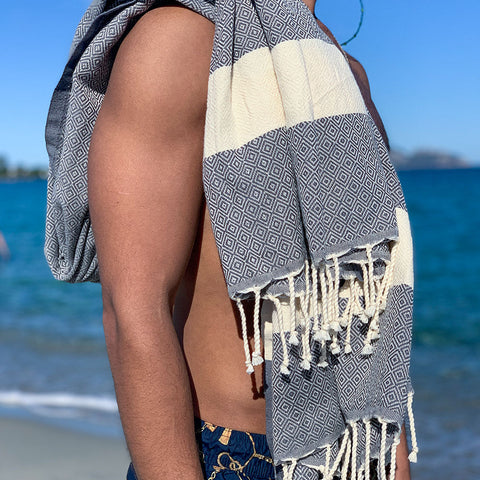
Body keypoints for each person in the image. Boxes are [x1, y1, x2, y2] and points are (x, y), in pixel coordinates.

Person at [85, 1, 412, 479]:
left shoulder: (347, 74)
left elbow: (372, 316)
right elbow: (132, 308)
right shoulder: (178, 40)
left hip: (352, 455)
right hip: (226, 459)